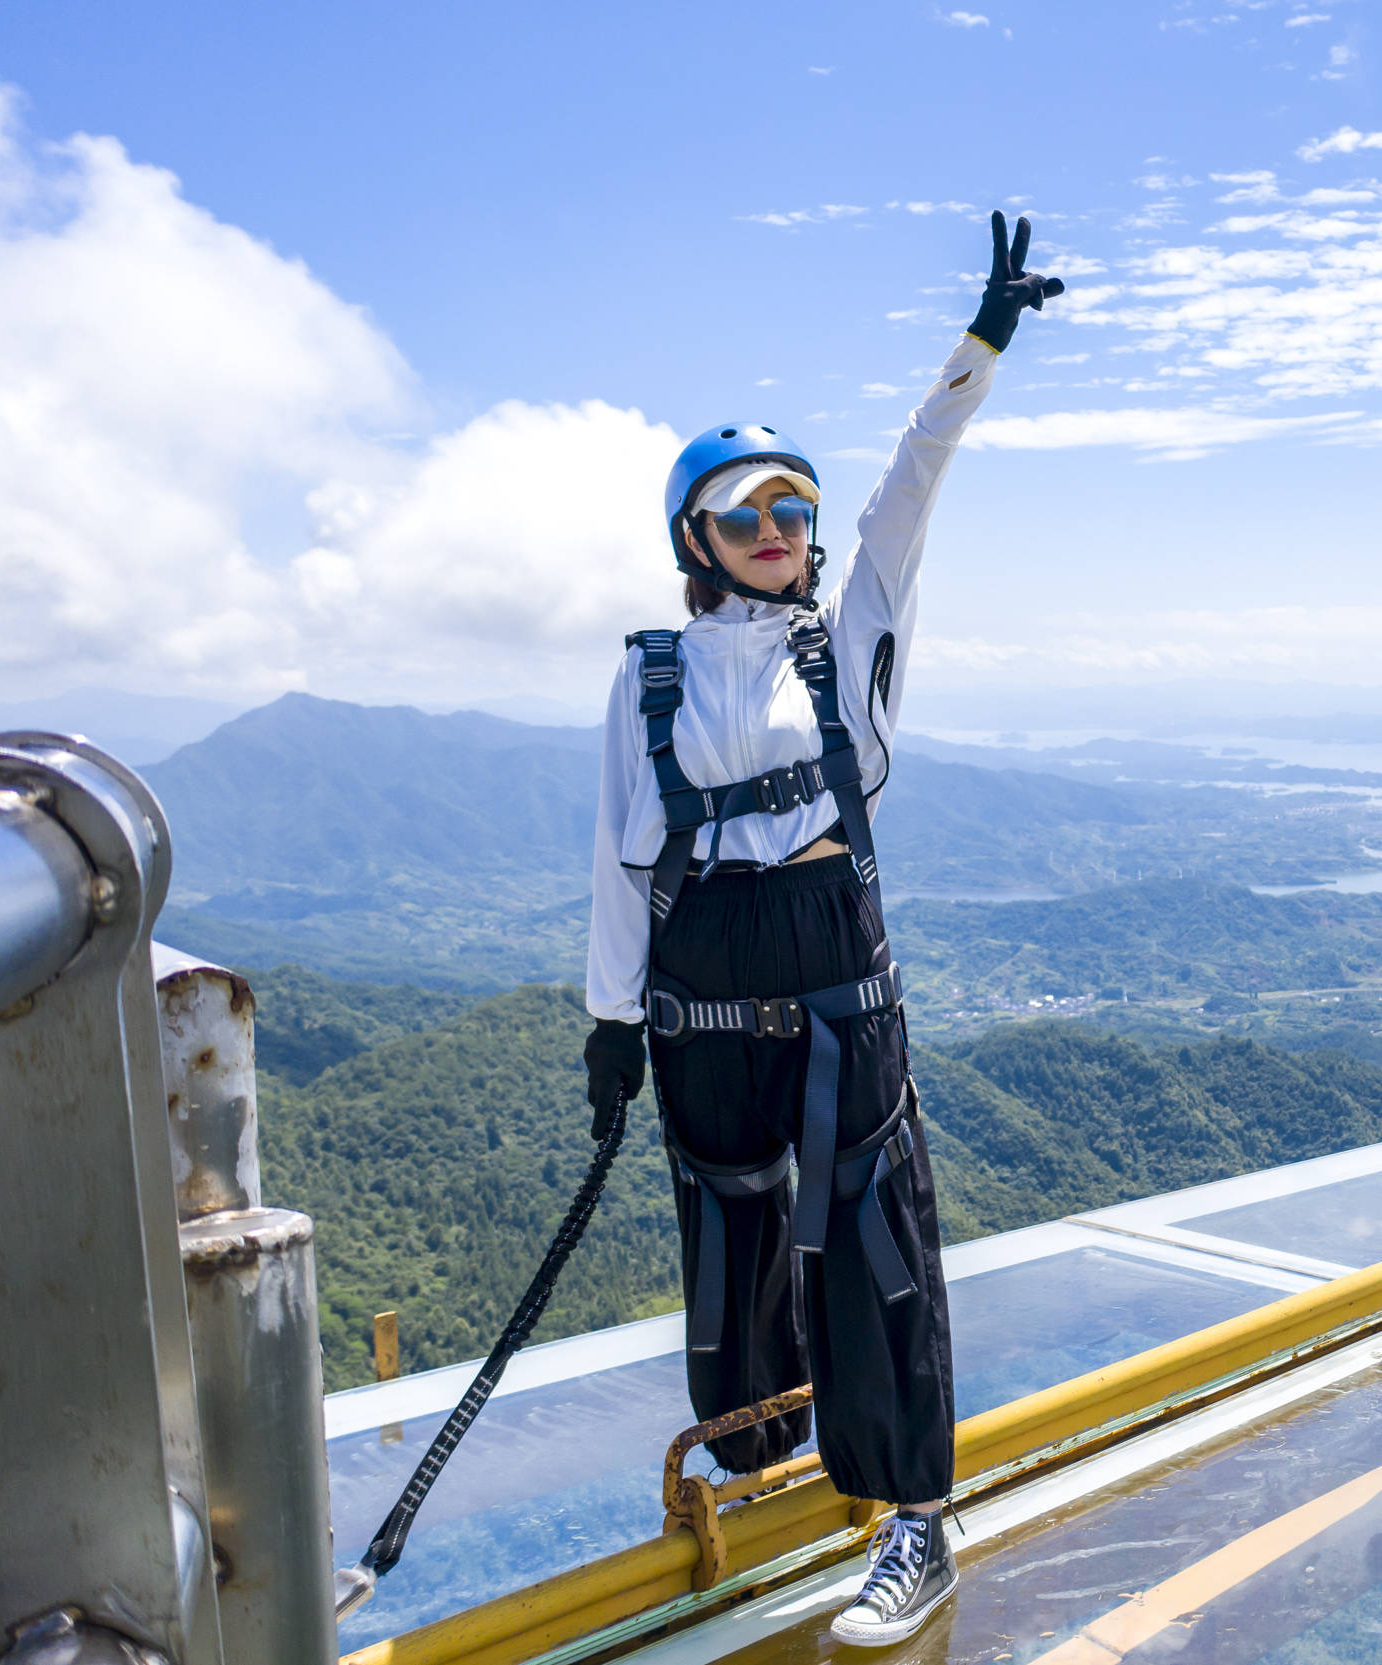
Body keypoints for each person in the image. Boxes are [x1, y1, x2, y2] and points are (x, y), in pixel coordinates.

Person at [581, 211, 1064, 1647]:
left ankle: (914, 1514)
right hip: (699, 1004)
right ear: (697, 539)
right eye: (753, 516)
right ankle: (759, 1463)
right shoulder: (648, 682)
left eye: (795, 512)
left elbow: (910, 492)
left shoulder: (845, 643)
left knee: (876, 1241)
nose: (786, 536)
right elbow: (617, 857)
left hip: (840, 994)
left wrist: (976, 351)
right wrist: (611, 1024)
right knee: (728, 1238)